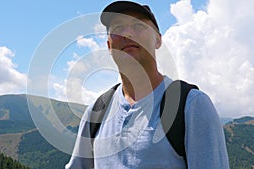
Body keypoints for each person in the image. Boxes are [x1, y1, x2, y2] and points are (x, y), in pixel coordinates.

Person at [66, 1, 229, 169]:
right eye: (118, 28)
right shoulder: (96, 112)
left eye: (138, 25)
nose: (127, 34)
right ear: (109, 46)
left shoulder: (192, 105)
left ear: (158, 40)